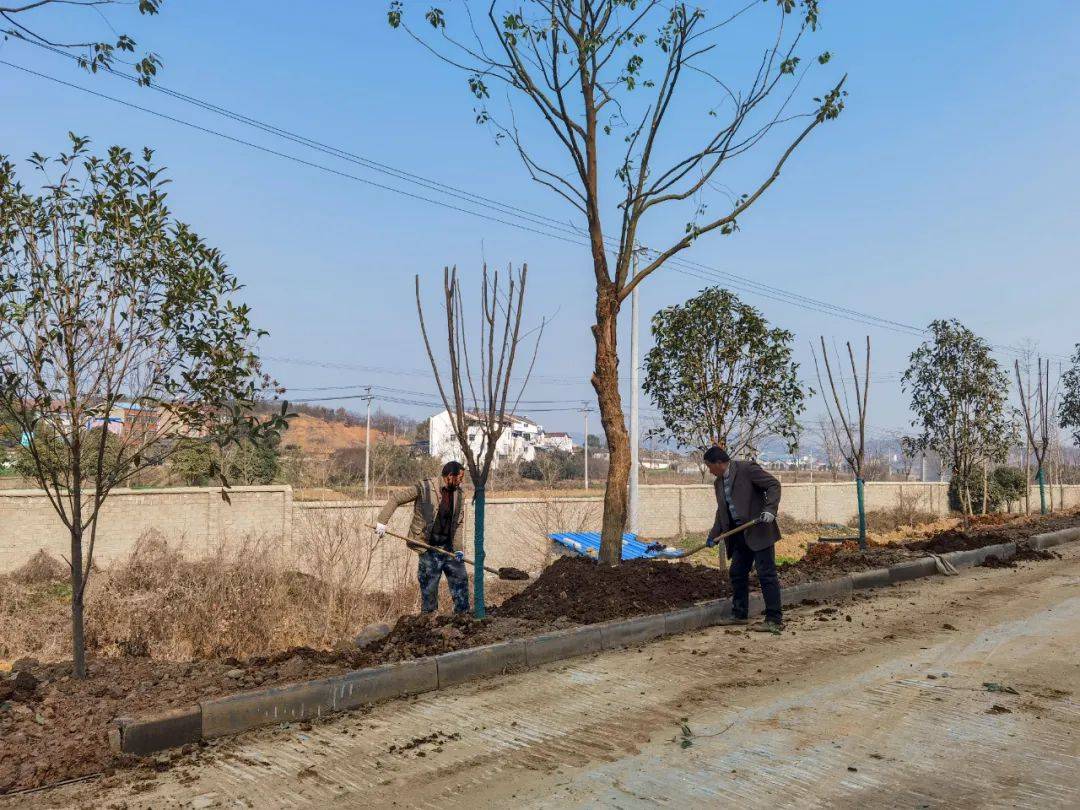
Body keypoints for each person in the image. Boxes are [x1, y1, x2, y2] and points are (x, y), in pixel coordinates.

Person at [702, 446, 784, 632]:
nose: (709, 471)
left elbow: (773, 485)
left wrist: (770, 509)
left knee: (766, 574)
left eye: (709, 466)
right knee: (737, 572)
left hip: (758, 529)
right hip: (739, 534)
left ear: (719, 463)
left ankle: (774, 618)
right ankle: (739, 614)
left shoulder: (747, 469)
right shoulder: (718, 483)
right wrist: (713, 535)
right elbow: (721, 511)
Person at [374, 461, 469, 615]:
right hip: (428, 547)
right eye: (460, 477)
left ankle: (463, 618)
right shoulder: (425, 487)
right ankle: (429, 622)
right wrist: (382, 521)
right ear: (450, 476)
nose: (461, 481)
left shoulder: (459, 494)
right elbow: (396, 498)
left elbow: (458, 523)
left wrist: (459, 549)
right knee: (429, 589)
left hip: (449, 549)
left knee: (461, 580)